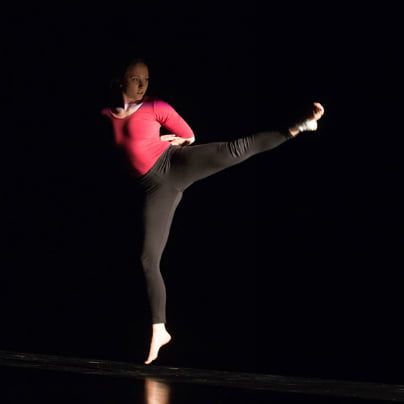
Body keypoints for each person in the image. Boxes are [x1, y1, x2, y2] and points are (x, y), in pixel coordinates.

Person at [101, 57, 325, 365]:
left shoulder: (156, 106)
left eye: (146, 79)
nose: (142, 85)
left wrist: (168, 141)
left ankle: (298, 126)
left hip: (174, 165)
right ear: (120, 81)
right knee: (147, 259)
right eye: (135, 79)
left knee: (235, 149)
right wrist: (154, 141)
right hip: (155, 189)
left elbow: (189, 135)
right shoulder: (105, 115)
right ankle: (159, 329)